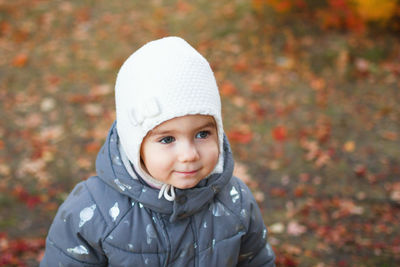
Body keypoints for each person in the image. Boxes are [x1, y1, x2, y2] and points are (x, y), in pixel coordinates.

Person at [40, 36, 276, 266]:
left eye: (202, 134)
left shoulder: (235, 201)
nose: (189, 154)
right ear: (135, 144)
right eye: (167, 139)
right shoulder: (93, 211)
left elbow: (257, 260)